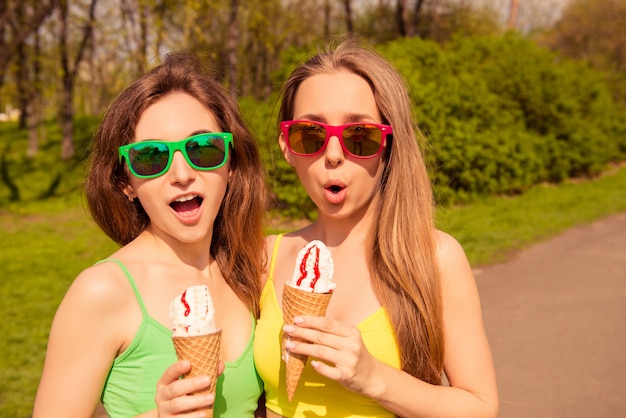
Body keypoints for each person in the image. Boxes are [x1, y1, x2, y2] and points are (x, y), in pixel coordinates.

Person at [156, 37, 499, 417]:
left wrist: (374, 378)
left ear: (388, 144)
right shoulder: (263, 258)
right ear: (286, 146)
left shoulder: (434, 257)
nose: (333, 155)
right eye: (311, 135)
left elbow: (480, 406)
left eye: (359, 137)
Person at [32, 52, 267, 418]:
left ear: (231, 163)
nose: (181, 174)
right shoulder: (102, 291)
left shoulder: (251, 272)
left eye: (202, 148)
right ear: (126, 181)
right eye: (152, 157)